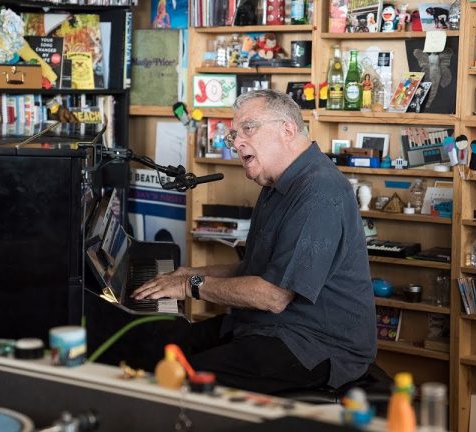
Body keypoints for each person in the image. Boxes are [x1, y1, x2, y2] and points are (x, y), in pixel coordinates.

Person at [131, 89, 377, 395]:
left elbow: (273, 295)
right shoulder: (276, 183)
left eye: (248, 128)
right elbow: (255, 269)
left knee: (180, 378)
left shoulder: (320, 193)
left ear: (287, 129)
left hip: (315, 345)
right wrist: (190, 272)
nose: (235, 142)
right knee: (152, 345)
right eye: (234, 133)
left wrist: (190, 285)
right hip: (266, 327)